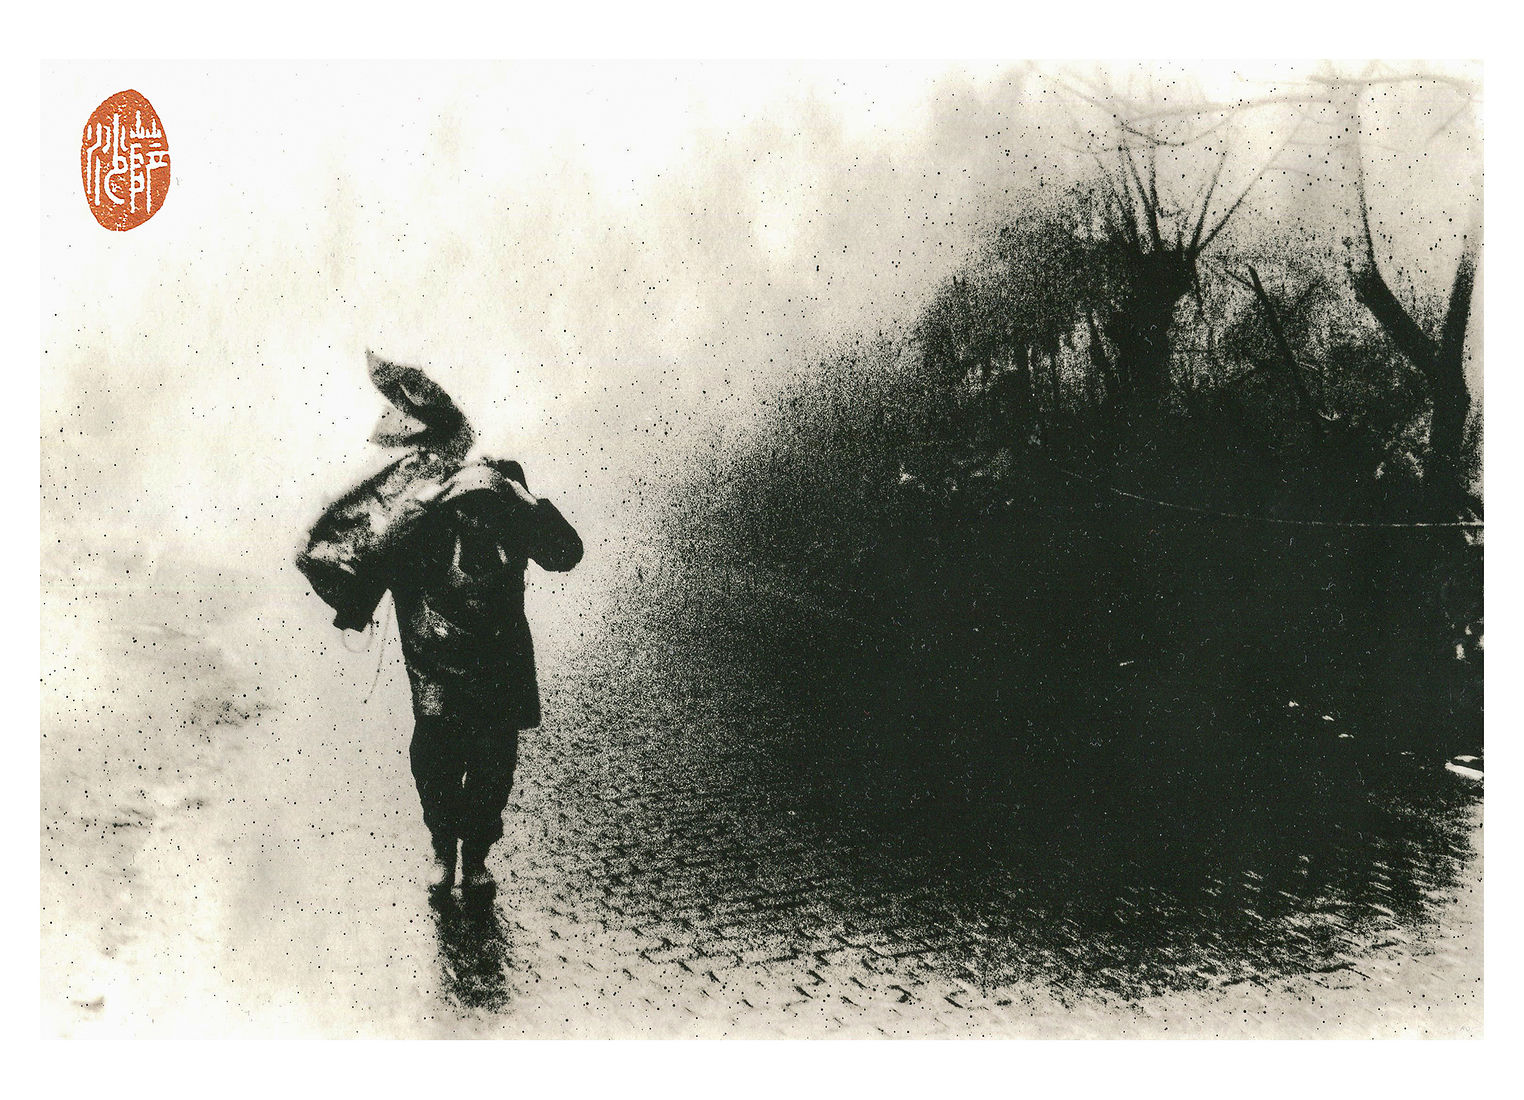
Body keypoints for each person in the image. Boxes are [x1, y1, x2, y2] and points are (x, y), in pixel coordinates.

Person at [386, 457, 583, 903]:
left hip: (499, 671)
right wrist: (421, 503)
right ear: (452, 506)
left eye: (487, 507)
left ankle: (475, 859)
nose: (476, 518)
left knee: (493, 771)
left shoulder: (514, 528)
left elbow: (566, 553)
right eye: (466, 508)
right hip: (440, 672)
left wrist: (529, 501)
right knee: (435, 765)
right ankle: (443, 852)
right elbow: (386, 560)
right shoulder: (431, 534)